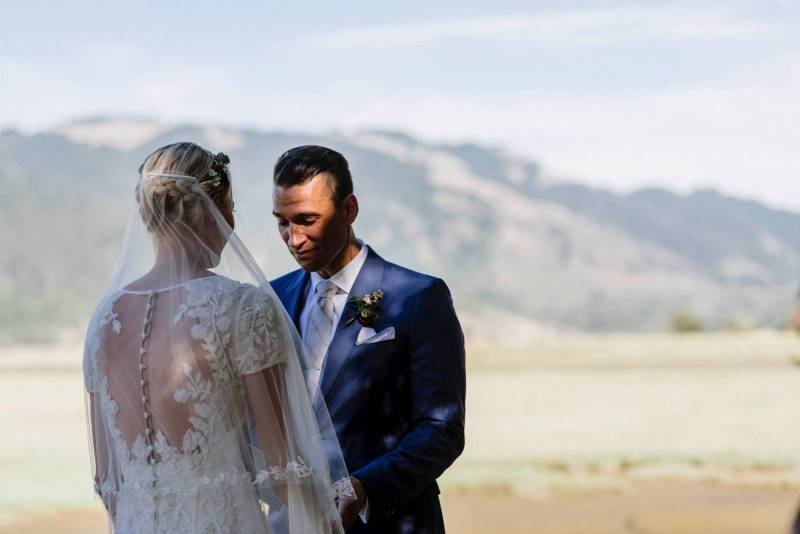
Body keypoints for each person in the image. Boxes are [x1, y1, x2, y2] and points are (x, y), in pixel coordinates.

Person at [82, 142, 355, 533]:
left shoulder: (104, 321)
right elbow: (284, 471)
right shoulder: (242, 308)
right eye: (230, 209)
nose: (230, 225)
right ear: (210, 210)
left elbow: (108, 482)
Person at [271, 145, 466, 533]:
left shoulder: (418, 297)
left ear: (349, 210)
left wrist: (364, 487)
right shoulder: (271, 299)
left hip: (391, 522)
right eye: (282, 222)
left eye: (307, 220)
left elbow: (442, 428)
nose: (294, 238)